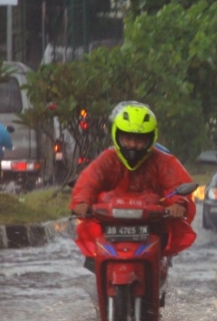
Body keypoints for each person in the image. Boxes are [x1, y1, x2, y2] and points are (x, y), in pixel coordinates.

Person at [70, 103, 196, 247]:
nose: (132, 145)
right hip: (111, 222)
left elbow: (179, 183)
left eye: (139, 140)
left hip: (153, 223)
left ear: (150, 139)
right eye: (127, 139)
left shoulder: (162, 160)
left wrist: (178, 203)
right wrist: (82, 202)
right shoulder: (108, 159)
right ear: (117, 136)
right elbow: (89, 181)